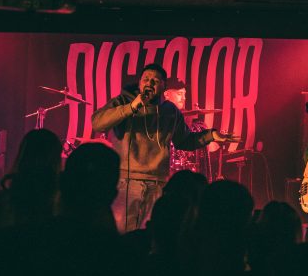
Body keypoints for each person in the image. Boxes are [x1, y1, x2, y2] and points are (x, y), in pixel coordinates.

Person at [91, 63, 238, 233]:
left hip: (157, 182)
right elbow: (97, 123)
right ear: (139, 83)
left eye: (155, 80)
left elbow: (185, 141)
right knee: (123, 232)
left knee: (150, 232)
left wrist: (211, 135)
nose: (149, 83)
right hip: (127, 181)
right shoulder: (124, 101)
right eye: (146, 79)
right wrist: (132, 107)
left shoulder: (170, 110)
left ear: (163, 86)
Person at [163, 77, 218, 179]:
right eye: (180, 94)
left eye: (184, 94)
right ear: (166, 94)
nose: (184, 98)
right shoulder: (158, 115)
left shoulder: (187, 116)